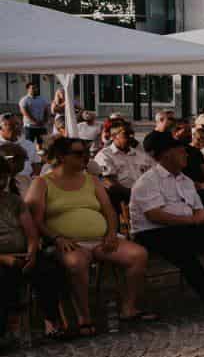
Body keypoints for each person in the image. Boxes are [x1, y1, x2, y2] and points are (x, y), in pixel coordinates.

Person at [26, 136, 151, 335]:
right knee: (76, 263)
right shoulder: (42, 183)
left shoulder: (91, 180)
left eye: (86, 153)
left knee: (138, 255)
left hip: (101, 240)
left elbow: (109, 210)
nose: (85, 157)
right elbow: (35, 220)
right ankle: (84, 317)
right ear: (61, 156)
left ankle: (129, 308)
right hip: (67, 243)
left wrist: (111, 233)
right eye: (78, 154)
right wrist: (57, 238)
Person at [131, 131, 204, 315]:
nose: (186, 155)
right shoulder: (148, 181)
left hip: (183, 227)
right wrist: (192, 219)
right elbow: (155, 215)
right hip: (154, 232)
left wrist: (198, 216)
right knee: (184, 253)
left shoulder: (185, 180)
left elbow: (198, 209)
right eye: (181, 151)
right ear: (167, 155)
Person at [0, 152, 65, 340]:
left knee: (49, 269)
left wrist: (32, 252)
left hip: (23, 254)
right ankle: (5, 328)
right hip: (3, 258)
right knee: (4, 278)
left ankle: (51, 320)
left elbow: (30, 232)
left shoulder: (14, 201)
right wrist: (5, 259)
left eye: (3, 177)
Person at [92, 122, 153, 212]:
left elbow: (152, 175)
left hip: (146, 198)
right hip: (121, 200)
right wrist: (133, 194)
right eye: (126, 134)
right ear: (113, 136)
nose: (131, 136)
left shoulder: (140, 154)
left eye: (132, 133)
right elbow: (108, 182)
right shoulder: (105, 155)